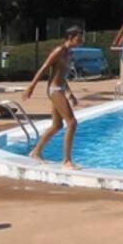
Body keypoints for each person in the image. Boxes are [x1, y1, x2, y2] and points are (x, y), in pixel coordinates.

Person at [23, 26, 84, 168]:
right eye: (79, 37)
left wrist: (69, 93)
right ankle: (67, 161)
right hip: (54, 90)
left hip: (61, 89)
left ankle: (36, 152)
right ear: (70, 37)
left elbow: (61, 75)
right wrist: (31, 87)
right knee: (72, 122)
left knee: (57, 125)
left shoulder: (69, 53)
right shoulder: (59, 51)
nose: (81, 40)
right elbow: (44, 68)